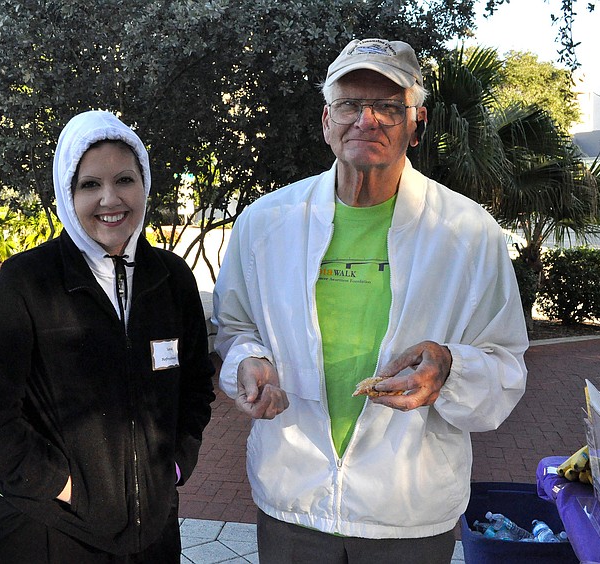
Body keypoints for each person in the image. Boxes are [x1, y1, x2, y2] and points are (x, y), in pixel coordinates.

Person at [212, 38, 528, 563]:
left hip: (407, 511)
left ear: (416, 122)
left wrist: (449, 368)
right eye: (350, 104)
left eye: (387, 106)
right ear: (326, 121)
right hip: (295, 502)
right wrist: (248, 361)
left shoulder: (469, 233)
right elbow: (234, 328)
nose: (368, 120)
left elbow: (505, 363)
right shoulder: (266, 224)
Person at [0, 110, 215, 563]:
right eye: (90, 184)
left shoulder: (171, 280)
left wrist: (172, 467)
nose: (110, 199)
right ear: (66, 191)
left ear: (145, 184)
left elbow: (194, 388)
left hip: (152, 532)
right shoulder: (26, 283)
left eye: (125, 180)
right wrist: (61, 486)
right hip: (50, 532)